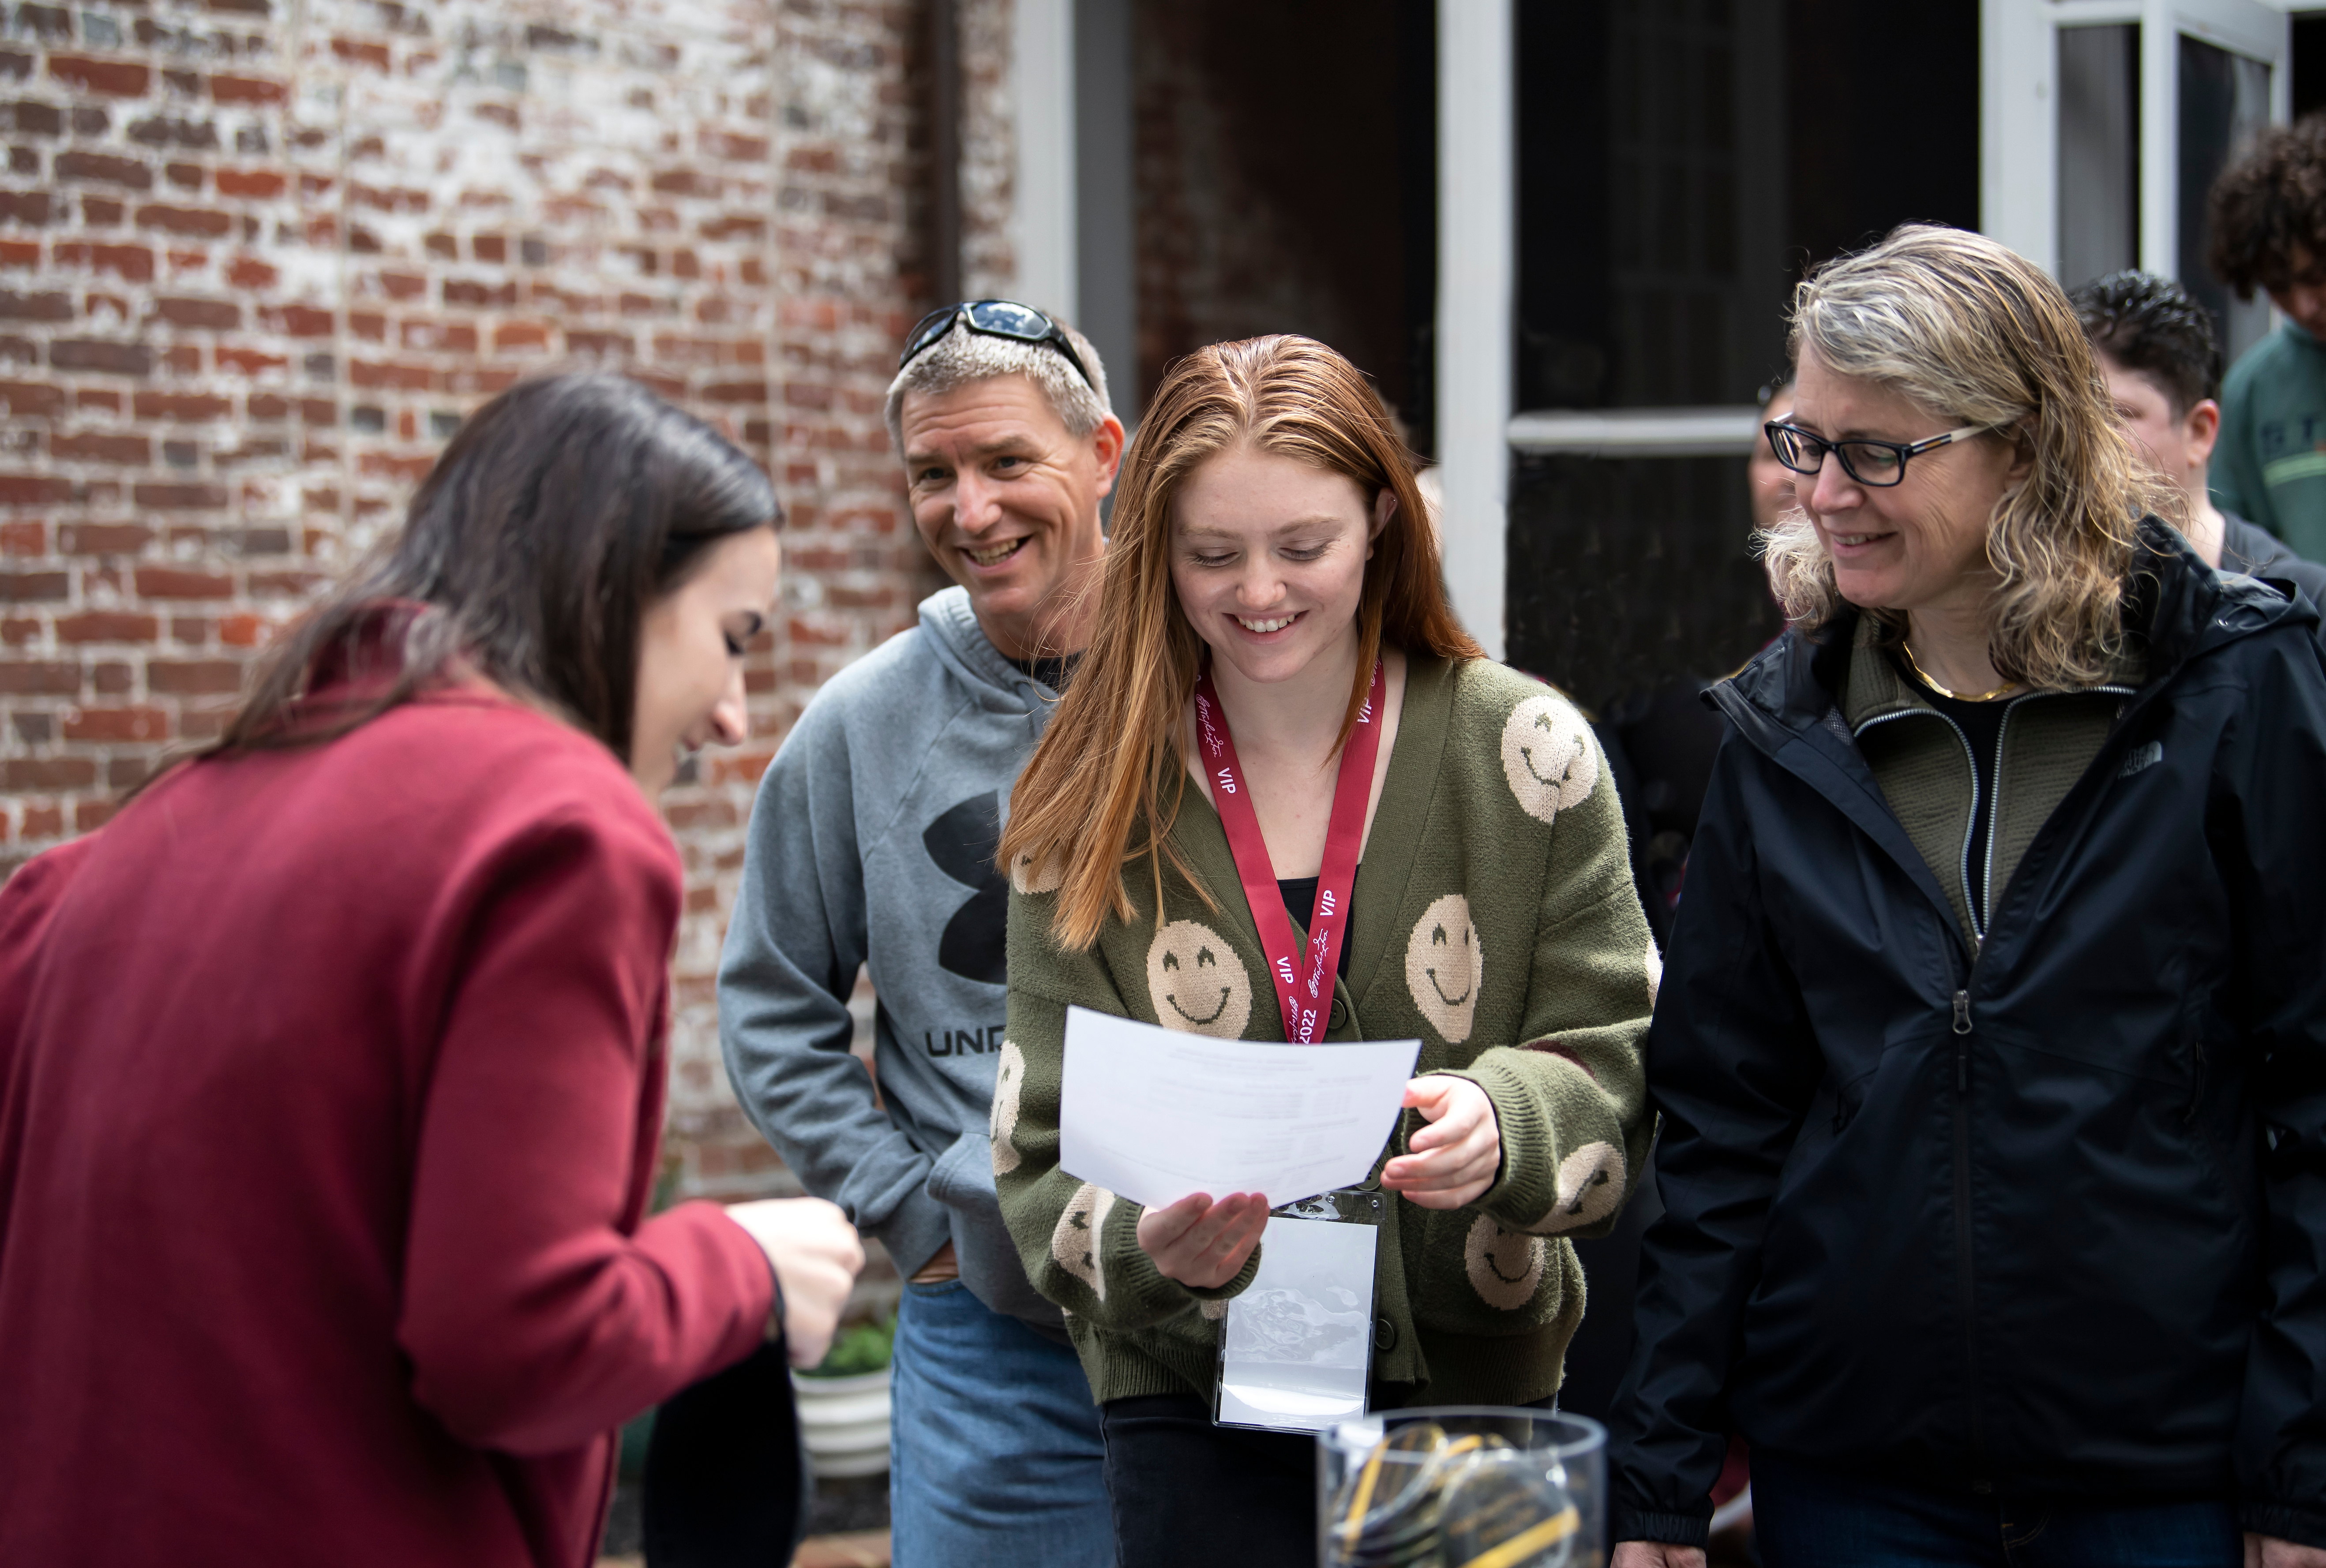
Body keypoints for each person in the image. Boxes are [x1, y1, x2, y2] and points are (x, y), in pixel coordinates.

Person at [0, 372, 865, 1567]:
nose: (729, 715)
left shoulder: (114, 853)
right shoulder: (556, 829)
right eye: (731, 640)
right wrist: (742, 1263)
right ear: (608, 587)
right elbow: (519, 1341)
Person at [1609, 225, 2326, 1568]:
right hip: (1853, 1475)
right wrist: (1655, 1479)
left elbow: (2314, 1091)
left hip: (2162, 1476)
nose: (1823, 492)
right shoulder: (1778, 735)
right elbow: (1720, 1131)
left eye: (1877, 451)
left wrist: (2298, 1475)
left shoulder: (2234, 682)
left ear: (2024, 448)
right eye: (1802, 441)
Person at [993, 333, 1659, 1568]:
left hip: (1476, 1387)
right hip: (1194, 1402)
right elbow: (1033, 1152)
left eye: (1304, 546)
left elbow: (1620, 1064)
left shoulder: (1530, 753)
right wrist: (1150, 1246)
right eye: (1212, 553)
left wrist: (1503, 1117)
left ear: (1384, 529)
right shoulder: (1085, 797)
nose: (1259, 591)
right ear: (1156, 556)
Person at [719, 301, 1124, 1567]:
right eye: (932, 474)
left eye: (1008, 461)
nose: (971, 507)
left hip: (1239, 1317)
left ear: (1103, 454)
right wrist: (913, 1211)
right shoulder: (860, 724)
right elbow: (772, 1003)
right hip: (995, 1340)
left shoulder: (1222, 677)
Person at [2071, 268, 2326, 622]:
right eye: (2069, 417)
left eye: (2116, 416)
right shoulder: (2041, 602)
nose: (2083, 439)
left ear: (2200, 431)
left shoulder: (2297, 607)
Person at [2207, 112, 2326, 560]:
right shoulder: (2252, 390)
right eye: (2278, 287)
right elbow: (2235, 556)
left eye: (2316, 276)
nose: (2302, 305)